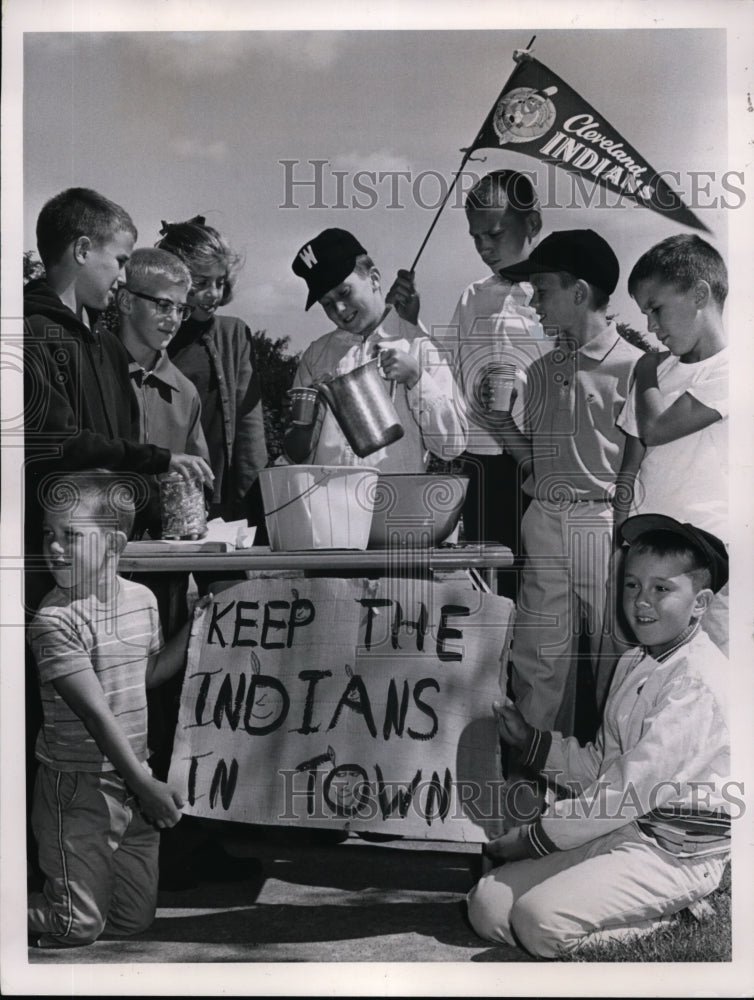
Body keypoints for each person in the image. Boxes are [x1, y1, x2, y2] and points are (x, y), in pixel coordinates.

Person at [466, 514, 730, 959]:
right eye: (632, 586)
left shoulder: (698, 682)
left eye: (661, 589)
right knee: (487, 906)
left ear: (700, 602)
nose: (641, 602)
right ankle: (591, 909)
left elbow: (629, 787)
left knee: (538, 922)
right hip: (622, 830)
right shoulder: (636, 662)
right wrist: (532, 741)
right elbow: (603, 768)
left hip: (677, 853)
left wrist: (535, 837)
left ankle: (673, 917)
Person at [26, 471, 211, 948]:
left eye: (71, 536)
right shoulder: (53, 619)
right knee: (78, 926)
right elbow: (95, 715)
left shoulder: (143, 601)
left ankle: (76, 893)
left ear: (114, 544)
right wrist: (145, 785)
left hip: (131, 781)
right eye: (48, 534)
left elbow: (146, 676)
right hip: (79, 785)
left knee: (131, 921)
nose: (55, 548)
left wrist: (194, 626)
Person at [491, 229, 643, 756]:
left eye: (542, 290)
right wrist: (495, 420)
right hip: (545, 518)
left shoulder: (636, 368)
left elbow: (638, 460)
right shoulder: (538, 371)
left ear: (580, 293)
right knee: (537, 655)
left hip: (604, 525)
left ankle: (610, 776)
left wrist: (627, 531)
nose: (533, 303)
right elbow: (534, 458)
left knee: (614, 656)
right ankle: (532, 773)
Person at [390, 170, 549, 598]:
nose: (484, 247)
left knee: (542, 584)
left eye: (494, 234)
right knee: (491, 589)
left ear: (531, 224)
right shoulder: (474, 296)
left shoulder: (557, 291)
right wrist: (412, 322)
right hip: (481, 467)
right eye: (475, 237)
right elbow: (448, 373)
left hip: (539, 461)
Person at [614, 234, 729, 657]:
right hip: (650, 561)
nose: (650, 327)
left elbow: (656, 429)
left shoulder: (736, 367)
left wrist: (645, 369)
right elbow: (629, 470)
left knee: (717, 678)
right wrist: (619, 552)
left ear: (699, 293)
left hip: (713, 568)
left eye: (656, 308)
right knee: (653, 677)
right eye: (645, 313)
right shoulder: (656, 378)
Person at [285, 227, 467, 469]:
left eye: (345, 292)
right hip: (330, 502)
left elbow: (451, 446)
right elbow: (295, 455)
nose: (339, 308)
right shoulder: (317, 356)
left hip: (395, 500)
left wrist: (417, 378)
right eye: (327, 303)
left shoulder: (421, 347)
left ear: (373, 279)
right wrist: (306, 418)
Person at [156, 216, 268, 527]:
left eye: (220, 282)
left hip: (226, 500)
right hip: (169, 496)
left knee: (231, 578)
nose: (214, 294)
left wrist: (255, 503)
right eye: (202, 283)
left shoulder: (234, 335)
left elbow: (250, 431)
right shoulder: (153, 339)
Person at [116, 247, 211, 540]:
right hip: (104, 554)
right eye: (162, 304)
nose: (173, 319)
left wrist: (195, 514)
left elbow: (198, 481)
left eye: (181, 310)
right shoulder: (98, 373)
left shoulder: (186, 392)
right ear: (126, 301)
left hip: (167, 565)